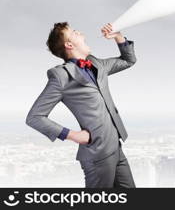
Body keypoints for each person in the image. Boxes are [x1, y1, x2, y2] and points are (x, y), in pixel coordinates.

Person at [26, 22, 136, 188]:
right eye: (75, 32)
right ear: (69, 45)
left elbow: (129, 60)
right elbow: (34, 117)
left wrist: (118, 37)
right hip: (97, 154)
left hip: (115, 147)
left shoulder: (97, 65)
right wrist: (73, 135)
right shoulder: (61, 76)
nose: (81, 33)